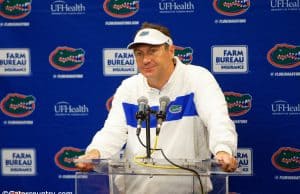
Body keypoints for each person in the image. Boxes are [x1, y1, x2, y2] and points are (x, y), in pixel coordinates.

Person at [76, 22, 238, 193]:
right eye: (139, 54)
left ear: (171, 50)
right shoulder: (129, 87)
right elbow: (112, 132)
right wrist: (95, 153)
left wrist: (223, 149)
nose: (146, 60)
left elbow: (217, 119)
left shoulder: (197, 79)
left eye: (153, 51)